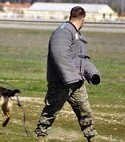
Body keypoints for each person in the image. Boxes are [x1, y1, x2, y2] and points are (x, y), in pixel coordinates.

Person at [34, 6, 100, 142]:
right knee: (51, 110)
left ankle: (91, 137)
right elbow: (60, 55)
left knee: (85, 111)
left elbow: (80, 59)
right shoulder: (63, 32)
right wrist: (70, 77)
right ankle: (41, 136)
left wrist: (92, 73)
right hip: (61, 81)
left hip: (76, 81)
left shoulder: (75, 34)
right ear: (83, 20)